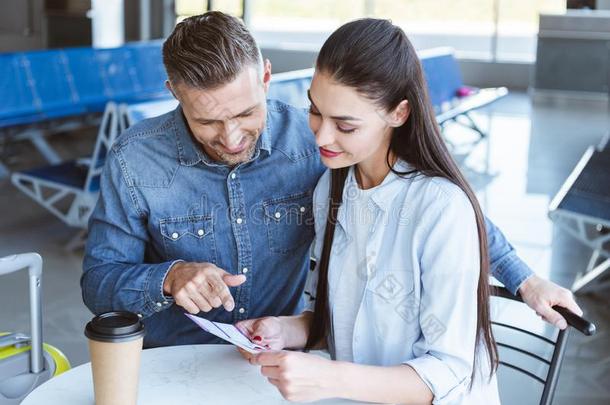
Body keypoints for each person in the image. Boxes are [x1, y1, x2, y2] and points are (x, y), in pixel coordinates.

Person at [81, 12, 582, 351]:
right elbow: (99, 282)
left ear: (267, 76)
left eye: (245, 112)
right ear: (173, 91)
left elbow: (434, 194)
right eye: (207, 122)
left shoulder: (315, 137)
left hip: (282, 357)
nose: (232, 136)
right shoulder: (136, 158)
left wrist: (525, 277)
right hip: (174, 361)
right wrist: (168, 277)